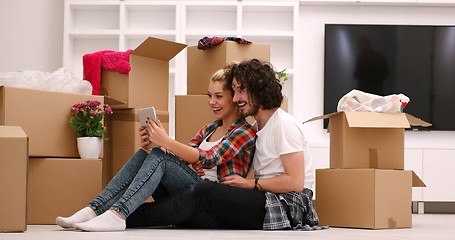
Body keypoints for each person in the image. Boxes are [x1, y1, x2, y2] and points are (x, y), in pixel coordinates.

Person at [126, 59, 320, 230]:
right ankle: (116, 212)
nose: (236, 99)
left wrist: (250, 184)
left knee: (205, 191)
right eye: (234, 92)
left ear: (259, 91)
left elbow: (295, 183)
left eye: (241, 92)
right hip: (266, 197)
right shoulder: (257, 128)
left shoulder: (284, 125)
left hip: (286, 205)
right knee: (181, 185)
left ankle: (126, 216)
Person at [56, 69, 256, 232]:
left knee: (162, 155)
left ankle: (118, 214)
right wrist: (156, 143)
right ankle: (94, 209)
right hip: (189, 194)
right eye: (209, 95)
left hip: (214, 206)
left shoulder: (244, 131)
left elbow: (210, 158)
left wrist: (167, 142)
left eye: (218, 96)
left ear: (235, 97)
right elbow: (185, 158)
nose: (211, 101)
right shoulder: (209, 129)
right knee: (150, 153)